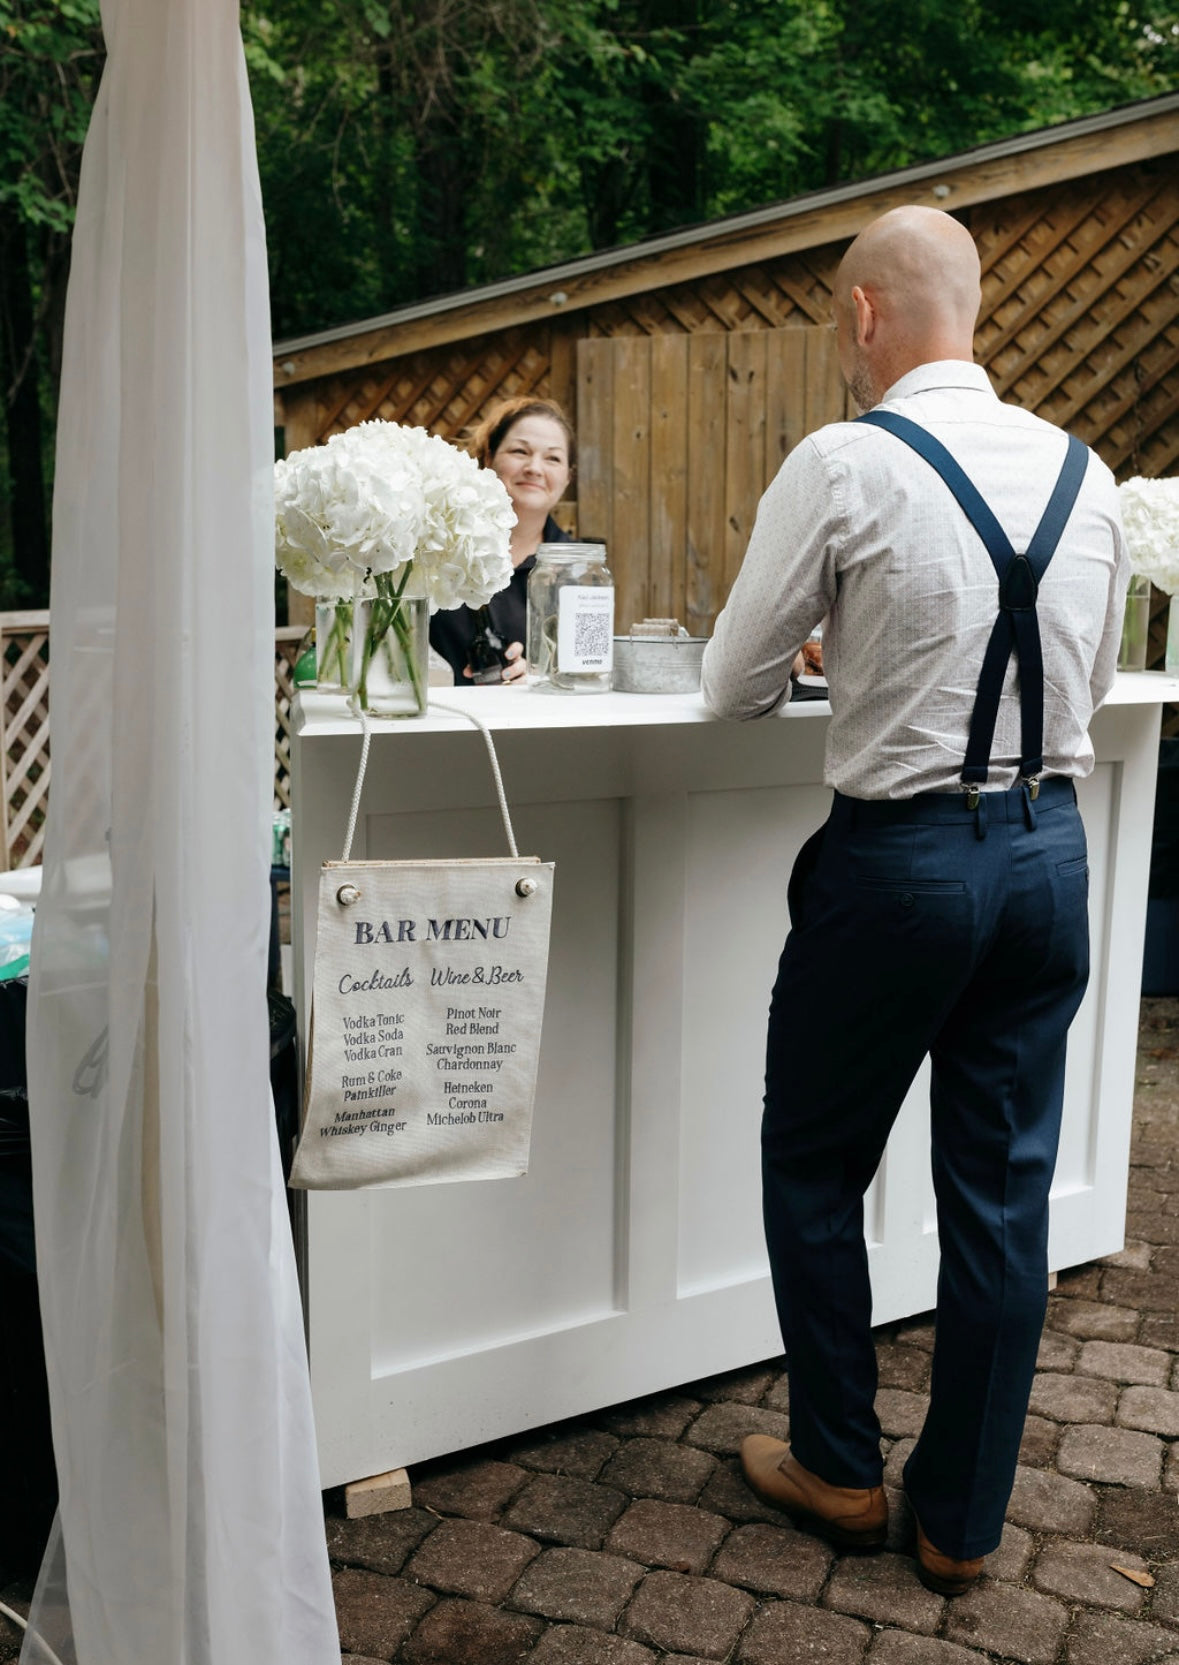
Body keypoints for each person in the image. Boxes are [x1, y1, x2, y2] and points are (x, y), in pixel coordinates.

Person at [700, 206, 1128, 1595]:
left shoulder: (844, 459)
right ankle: (959, 1523)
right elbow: (1090, 689)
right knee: (999, 1199)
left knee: (813, 1163)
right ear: (976, 310)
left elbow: (729, 688)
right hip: (1047, 855)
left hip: (898, 865)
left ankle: (835, 1464)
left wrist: (847, 659)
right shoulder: (1088, 471)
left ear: (864, 317)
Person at [430, 397, 574, 684]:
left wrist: (536, 680)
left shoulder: (580, 572)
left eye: (553, 458)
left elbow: (588, 673)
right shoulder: (437, 545)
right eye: (520, 451)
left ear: (568, 477)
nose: (535, 468)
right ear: (488, 457)